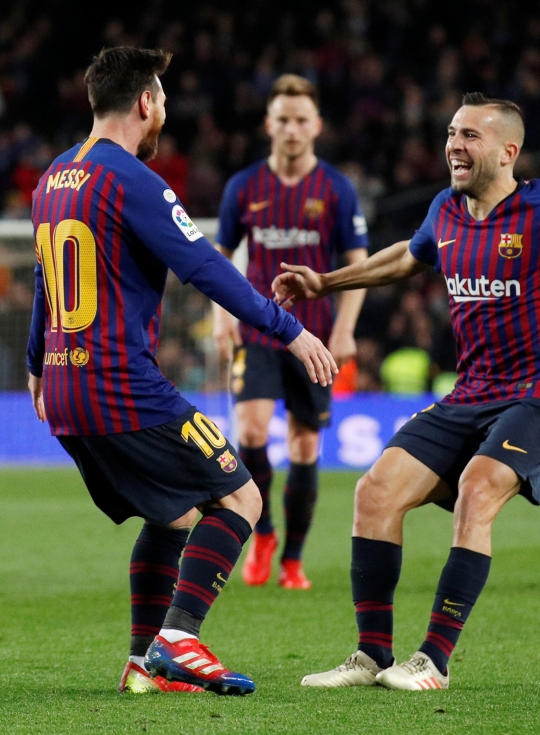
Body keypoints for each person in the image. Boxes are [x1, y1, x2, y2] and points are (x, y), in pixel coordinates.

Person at [272, 93, 540, 691]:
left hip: (538, 394)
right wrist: (325, 283)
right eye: (452, 133)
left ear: (508, 152)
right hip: (469, 392)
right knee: (374, 493)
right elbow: (407, 257)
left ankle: (433, 661)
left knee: (477, 489)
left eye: (470, 135)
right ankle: (372, 655)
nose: (454, 144)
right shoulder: (445, 210)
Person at [26, 47, 336, 697]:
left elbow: (43, 281)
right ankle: (179, 637)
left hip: (62, 384)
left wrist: (35, 364)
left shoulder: (52, 177)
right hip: (119, 383)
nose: (165, 110)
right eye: (163, 98)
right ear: (145, 102)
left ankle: (142, 665)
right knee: (242, 496)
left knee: (170, 515)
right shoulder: (133, 179)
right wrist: (291, 329)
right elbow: (208, 268)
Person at [212, 74, 369, 590]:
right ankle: (264, 534)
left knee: (303, 447)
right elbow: (219, 255)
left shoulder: (336, 189)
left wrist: (345, 328)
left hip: (315, 337)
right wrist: (221, 315)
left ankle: (293, 561)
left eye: (301, 120)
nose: (292, 129)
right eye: (283, 119)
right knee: (251, 432)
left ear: (317, 126)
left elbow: (359, 263)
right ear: (269, 124)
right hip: (258, 330)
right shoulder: (243, 187)